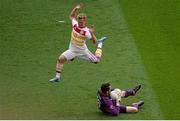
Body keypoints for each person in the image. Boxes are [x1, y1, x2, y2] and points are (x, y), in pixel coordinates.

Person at [49, 3, 107, 82]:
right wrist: (76, 8)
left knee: (97, 61)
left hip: (83, 52)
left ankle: (100, 43)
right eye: (79, 22)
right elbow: (71, 17)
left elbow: (94, 42)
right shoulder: (75, 25)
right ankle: (57, 77)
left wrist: (92, 33)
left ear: (85, 21)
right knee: (60, 59)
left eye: (81, 22)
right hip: (72, 50)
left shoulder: (86, 31)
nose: (80, 24)